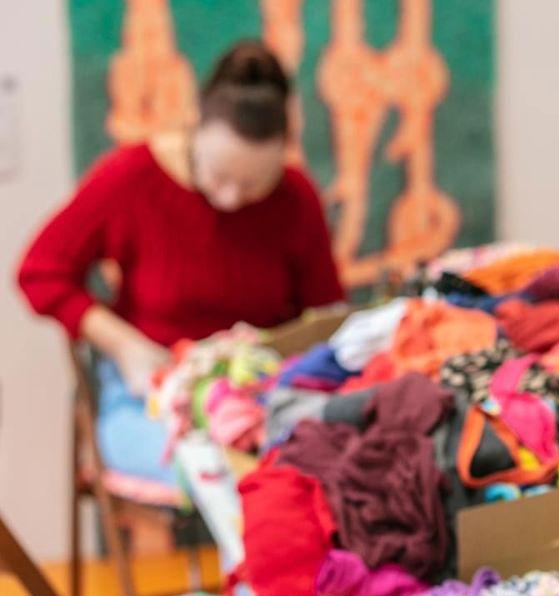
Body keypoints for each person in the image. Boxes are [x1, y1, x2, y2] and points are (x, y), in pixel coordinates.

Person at [16, 39, 343, 486]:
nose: (231, 198)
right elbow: (40, 272)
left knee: (315, 466)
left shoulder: (296, 198)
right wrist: (124, 345)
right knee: (221, 472)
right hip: (148, 400)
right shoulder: (132, 178)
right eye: (220, 176)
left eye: (253, 186)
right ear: (195, 128)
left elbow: (327, 317)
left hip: (261, 395)